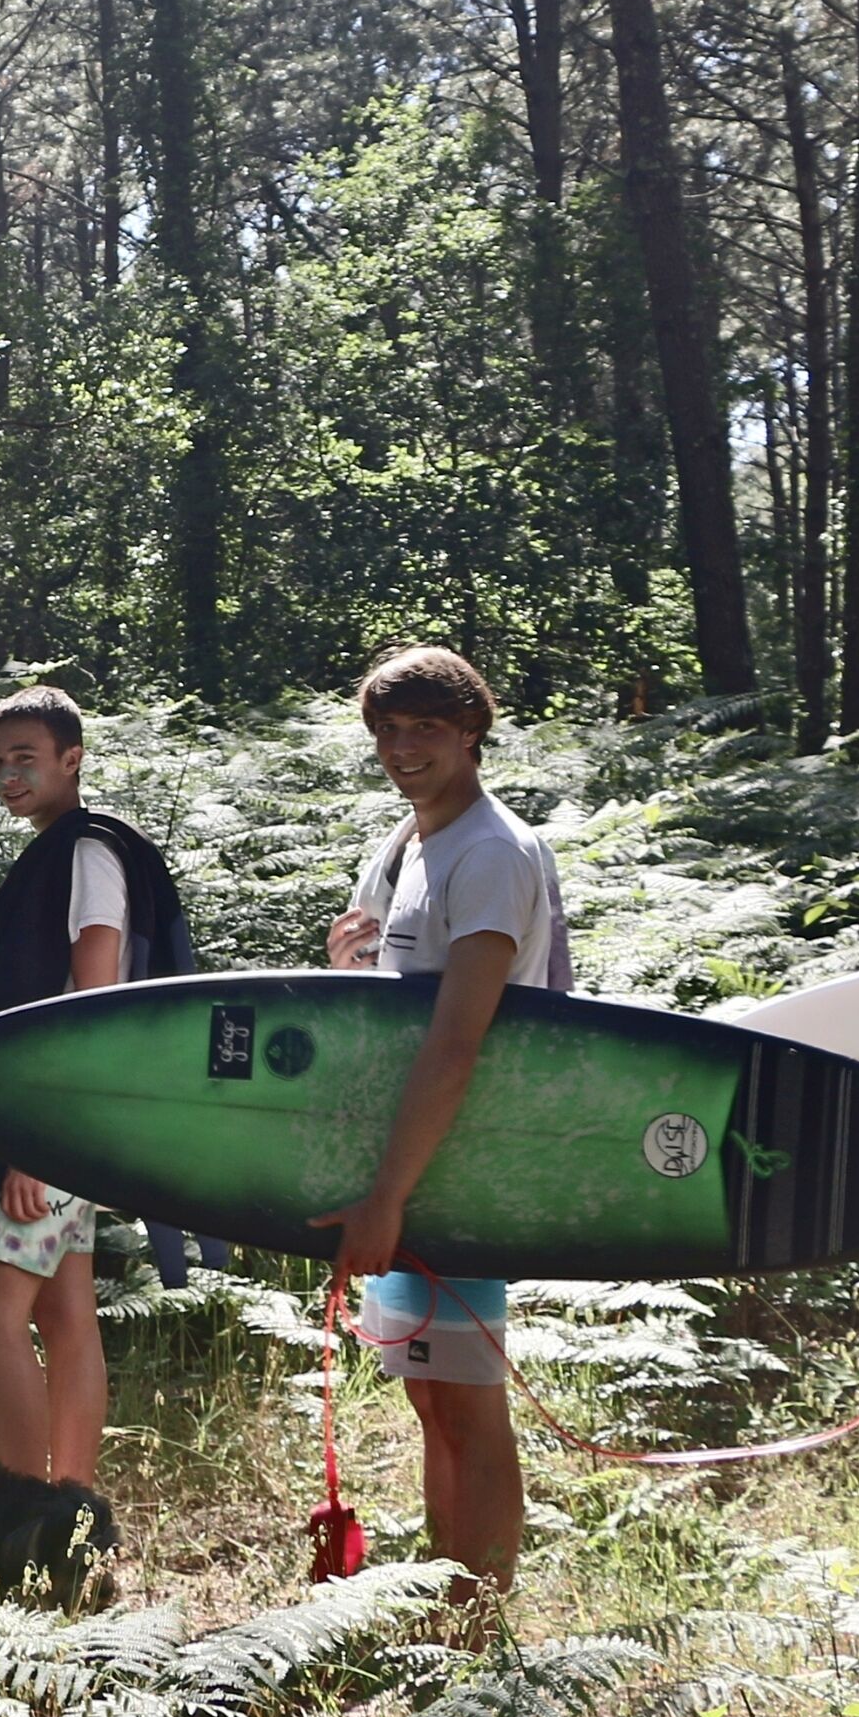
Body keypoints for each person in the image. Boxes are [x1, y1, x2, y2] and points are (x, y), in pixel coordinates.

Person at [314, 645, 570, 1609]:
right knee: (431, 1399)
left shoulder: (491, 853)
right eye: (387, 729)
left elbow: (460, 1041)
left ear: (471, 733)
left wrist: (389, 1196)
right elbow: (394, 1007)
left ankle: (479, 1625)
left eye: (425, 727)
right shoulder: (407, 841)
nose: (402, 747)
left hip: (466, 1164)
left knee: (468, 1406)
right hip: (410, 1161)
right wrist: (347, 967)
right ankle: (446, 1609)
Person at [0, 685, 191, 1489]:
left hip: (61, 1117)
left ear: (72, 759)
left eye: (26, 759)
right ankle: (75, 1508)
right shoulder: (62, 849)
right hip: (77, 1115)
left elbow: (93, 1001)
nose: (9, 776)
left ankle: (25, 1510)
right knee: (65, 1315)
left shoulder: (85, 851)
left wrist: (38, 1143)